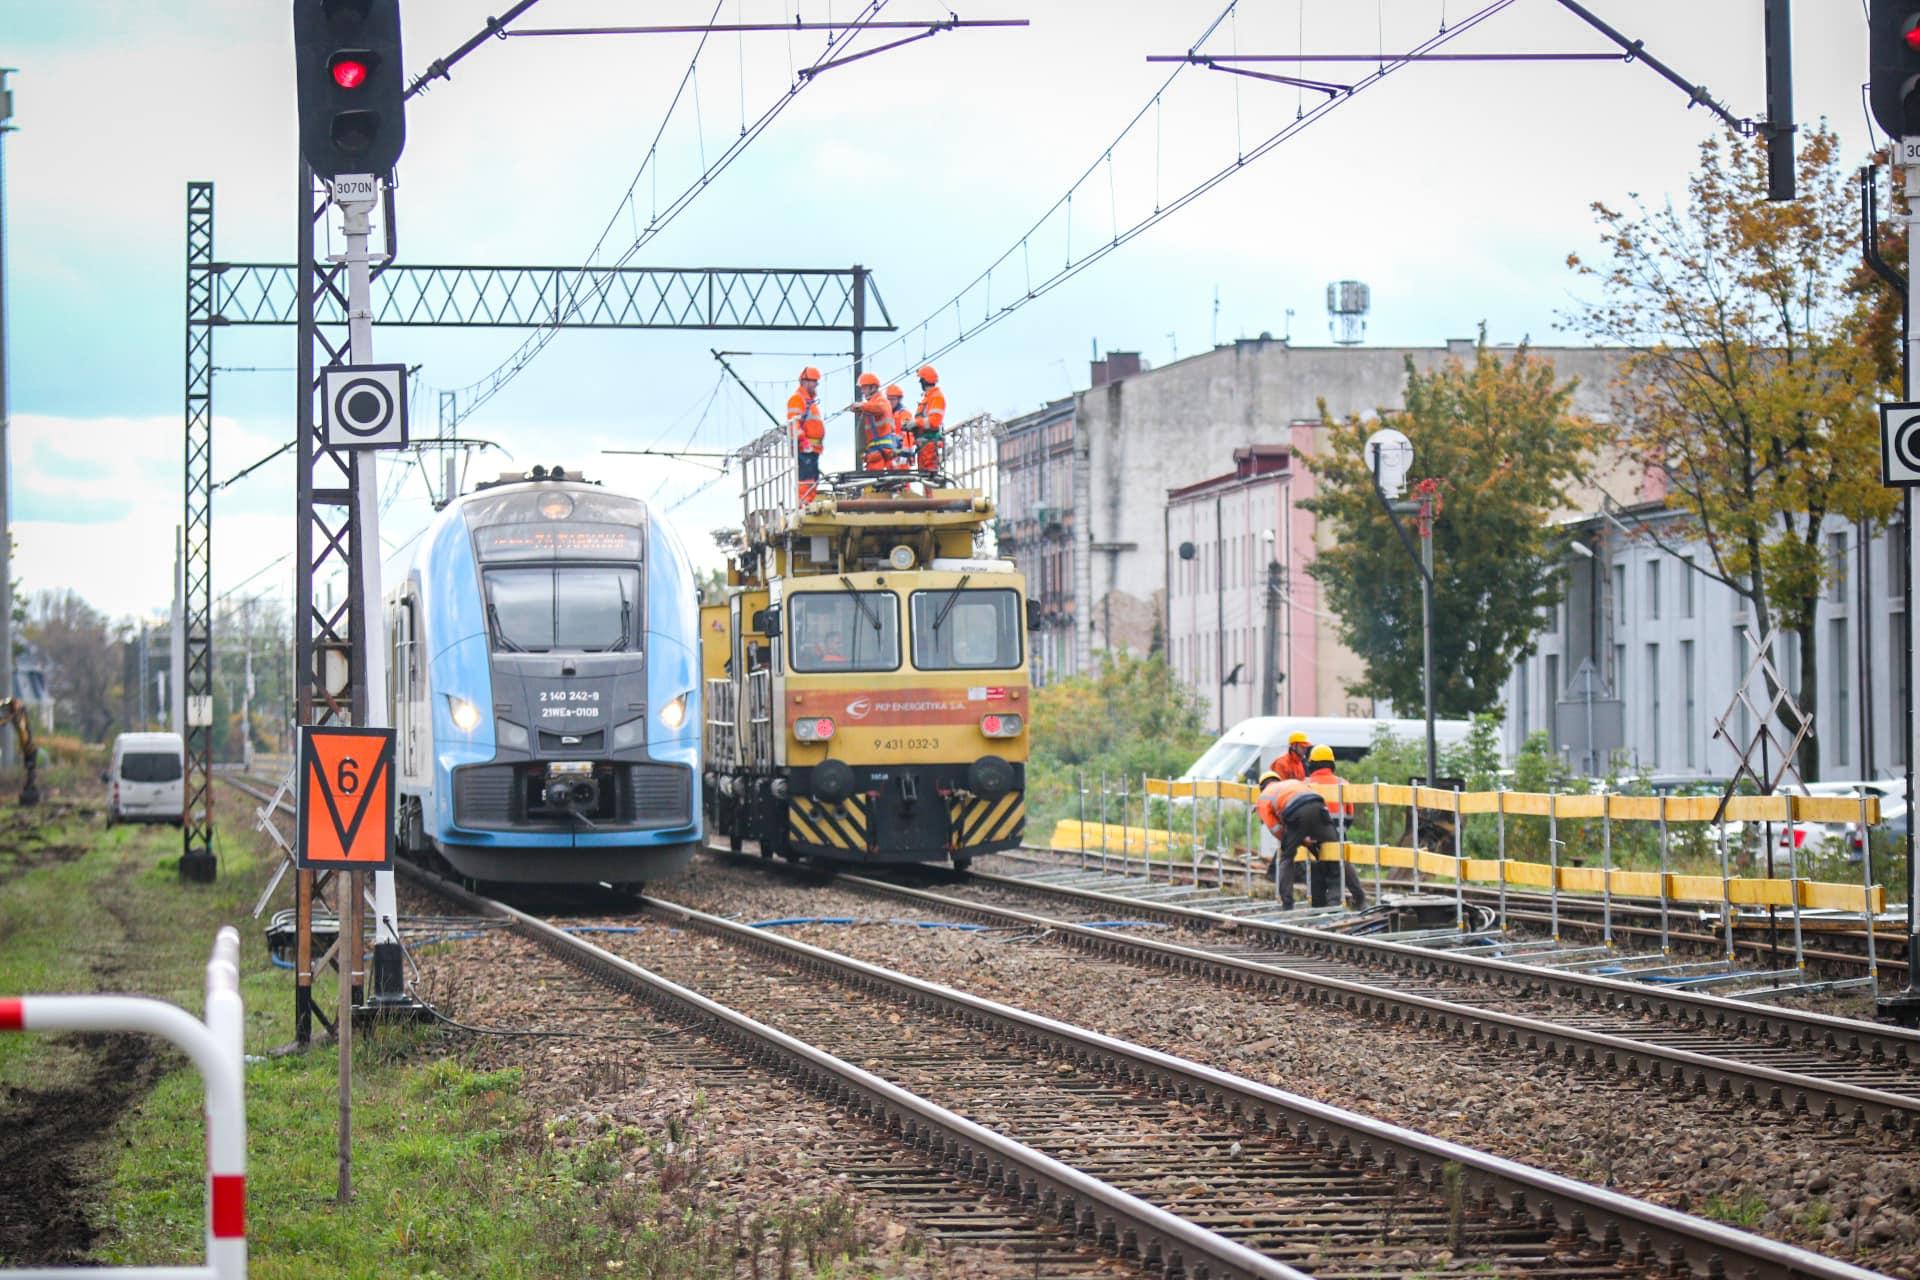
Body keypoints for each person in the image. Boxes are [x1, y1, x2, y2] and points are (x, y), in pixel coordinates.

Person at [1257, 772, 1342, 909]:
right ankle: (1334, 901)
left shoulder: (1264, 796)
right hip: (1319, 807)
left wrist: (1292, 841)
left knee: (1287, 858)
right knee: (1334, 854)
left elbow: (1275, 828)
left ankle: (1287, 903)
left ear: (1261, 787)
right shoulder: (1292, 782)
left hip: (1296, 812)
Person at [1305, 744, 1366, 909]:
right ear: (1332, 763)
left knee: (1316, 873)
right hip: (1337, 836)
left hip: (1313, 840)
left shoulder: (1305, 785)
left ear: (1311, 764)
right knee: (1336, 873)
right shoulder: (1342, 784)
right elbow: (1350, 814)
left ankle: (1318, 909)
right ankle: (1337, 905)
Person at [787, 366, 825, 502]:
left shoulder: (809, 401)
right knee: (806, 480)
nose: (815, 385)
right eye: (814, 382)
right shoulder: (798, 399)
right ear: (805, 381)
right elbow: (794, 424)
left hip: (813, 450)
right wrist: (803, 441)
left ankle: (809, 502)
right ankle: (804, 504)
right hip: (805, 449)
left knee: (813, 479)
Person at [852, 373, 897, 471]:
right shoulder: (871, 404)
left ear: (872, 388)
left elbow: (879, 409)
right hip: (877, 451)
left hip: (879, 451)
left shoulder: (881, 401)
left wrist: (861, 406)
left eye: (864, 388)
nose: (862, 391)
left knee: (873, 483)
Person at [913, 365, 946, 472]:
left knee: (930, 477)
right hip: (923, 446)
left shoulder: (936, 397)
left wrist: (915, 423)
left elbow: (934, 422)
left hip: (929, 445)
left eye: (920, 380)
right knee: (924, 478)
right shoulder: (928, 398)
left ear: (924, 381)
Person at [885, 384, 917, 470]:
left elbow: (909, 434)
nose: (891, 401)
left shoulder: (904, 414)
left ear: (899, 399)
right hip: (892, 455)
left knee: (903, 481)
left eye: (893, 399)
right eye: (889, 399)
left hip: (902, 456)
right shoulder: (888, 414)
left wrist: (905, 454)